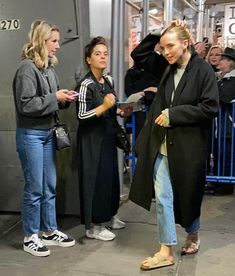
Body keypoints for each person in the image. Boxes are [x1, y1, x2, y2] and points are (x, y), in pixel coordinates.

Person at [129, 20, 219, 270]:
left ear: (185, 44)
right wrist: (160, 31)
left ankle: (192, 233)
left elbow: (210, 107)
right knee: (163, 197)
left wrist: (174, 114)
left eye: (170, 46)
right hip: (161, 143)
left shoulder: (203, 71)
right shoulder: (166, 66)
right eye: (163, 47)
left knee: (189, 194)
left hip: (189, 146)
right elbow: (139, 53)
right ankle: (166, 249)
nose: (166, 51)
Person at [13, 20, 76, 257]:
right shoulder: (27, 69)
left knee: (49, 185)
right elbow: (26, 104)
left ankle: (49, 231)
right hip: (31, 135)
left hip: (47, 133)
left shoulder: (49, 69)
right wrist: (54, 97)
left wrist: (63, 98)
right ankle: (30, 236)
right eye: (54, 41)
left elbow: (49, 100)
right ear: (41, 41)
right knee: (35, 187)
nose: (58, 46)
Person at [75, 36, 129, 241]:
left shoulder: (108, 80)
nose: (103, 57)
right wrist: (104, 107)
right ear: (89, 59)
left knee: (110, 179)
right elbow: (81, 116)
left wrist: (121, 111)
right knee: (95, 181)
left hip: (107, 139)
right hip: (91, 141)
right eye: (98, 54)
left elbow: (111, 107)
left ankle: (109, 216)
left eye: (105, 54)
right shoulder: (85, 84)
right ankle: (94, 226)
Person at [124, 33, 168, 138]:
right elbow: (136, 54)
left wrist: (147, 92)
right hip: (141, 115)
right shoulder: (133, 72)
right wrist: (157, 35)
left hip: (160, 115)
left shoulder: (165, 65)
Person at [211, 47, 235, 195]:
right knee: (219, 154)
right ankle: (218, 182)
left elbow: (225, 96)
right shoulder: (222, 78)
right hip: (219, 125)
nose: (220, 61)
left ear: (231, 63)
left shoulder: (231, 80)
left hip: (228, 125)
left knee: (227, 156)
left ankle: (226, 185)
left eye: (224, 59)